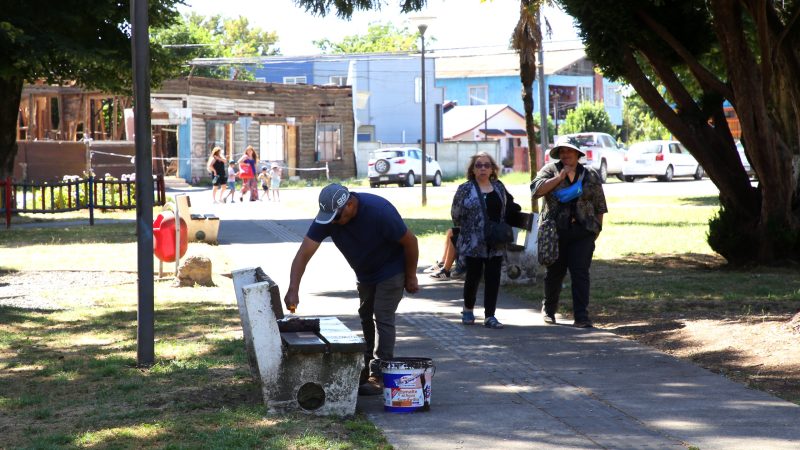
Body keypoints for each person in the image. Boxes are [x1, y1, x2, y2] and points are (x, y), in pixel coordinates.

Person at [283, 183, 419, 396]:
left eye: (336, 217)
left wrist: (411, 276)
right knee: (365, 316)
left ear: (350, 204)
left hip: (392, 269)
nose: (334, 223)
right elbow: (303, 254)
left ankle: (381, 373)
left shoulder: (379, 211)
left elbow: (411, 242)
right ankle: (364, 367)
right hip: (365, 273)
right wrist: (293, 289)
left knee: (382, 315)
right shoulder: (331, 217)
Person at [531, 140, 608, 328]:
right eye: (562, 152)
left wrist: (596, 229)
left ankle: (581, 316)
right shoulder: (550, 170)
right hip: (555, 232)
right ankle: (549, 310)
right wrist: (559, 178)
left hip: (583, 232)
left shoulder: (590, 174)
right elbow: (536, 191)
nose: (566, 155)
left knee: (580, 273)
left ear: (577, 154)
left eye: (570, 151)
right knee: (555, 272)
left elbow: (600, 205)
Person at [451, 152, 520, 329]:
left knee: (493, 278)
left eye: (486, 165)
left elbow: (509, 208)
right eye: (478, 165)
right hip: (474, 241)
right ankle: (468, 309)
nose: (482, 168)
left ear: (492, 169)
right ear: (473, 170)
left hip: (495, 242)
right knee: (473, 276)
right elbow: (456, 215)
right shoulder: (465, 189)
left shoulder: (498, 187)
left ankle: (490, 315)